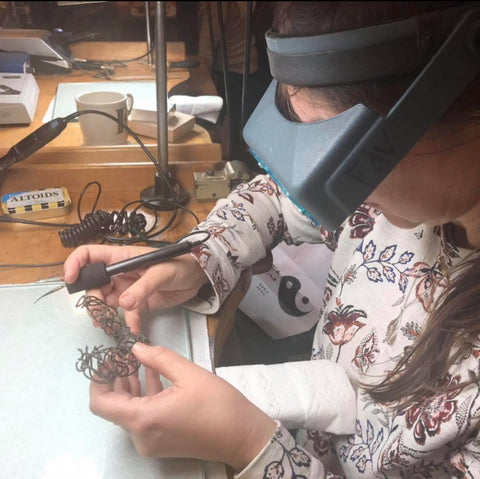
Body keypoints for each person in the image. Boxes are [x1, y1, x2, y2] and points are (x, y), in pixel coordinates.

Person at [64, 2, 480, 477]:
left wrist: (250, 447)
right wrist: (202, 256)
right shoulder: (376, 194)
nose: (319, 184)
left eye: (341, 159)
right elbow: (280, 198)